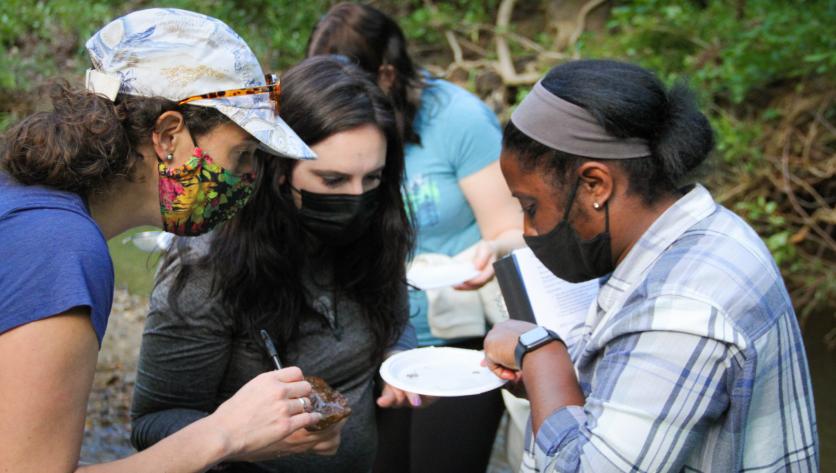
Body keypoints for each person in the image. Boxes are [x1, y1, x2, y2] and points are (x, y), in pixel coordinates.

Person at [0, 8, 326, 472]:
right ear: (169, 134)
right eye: (243, 153)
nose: (251, 177)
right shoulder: (61, 248)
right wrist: (225, 433)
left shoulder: (22, 200)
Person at [483, 59, 819, 472]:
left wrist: (539, 352)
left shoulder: (684, 307)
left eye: (531, 207)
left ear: (595, 185)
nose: (528, 229)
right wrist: (551, 388)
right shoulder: (707, 230)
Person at [130, 55, 418, 473]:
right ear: (280, 171)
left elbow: (394, 319)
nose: (358, 199)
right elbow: (152, 423)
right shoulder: (208, 265)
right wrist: (249, 440)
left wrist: (399, 361)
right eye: (333, 181)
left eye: (371, 179)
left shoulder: (376, 232)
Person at [307, 4, 523, 472]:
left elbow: (511, 228)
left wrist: (488, 253)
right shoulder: (321, 127)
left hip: (455, 339)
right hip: (361, 335)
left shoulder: (460, 120)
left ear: (385, 75)